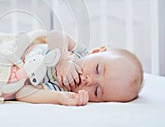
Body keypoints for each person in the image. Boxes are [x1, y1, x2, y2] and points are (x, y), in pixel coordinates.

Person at [11, 30, 143, 106]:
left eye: (97, 90)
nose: (89, 80)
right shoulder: (80, 53)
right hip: (18, 50)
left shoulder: (63, 88)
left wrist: (59, 97)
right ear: (96, 51)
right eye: (97, 69)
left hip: (15, 71)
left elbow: (22, 93)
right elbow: (55, 35)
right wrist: (63, 60)